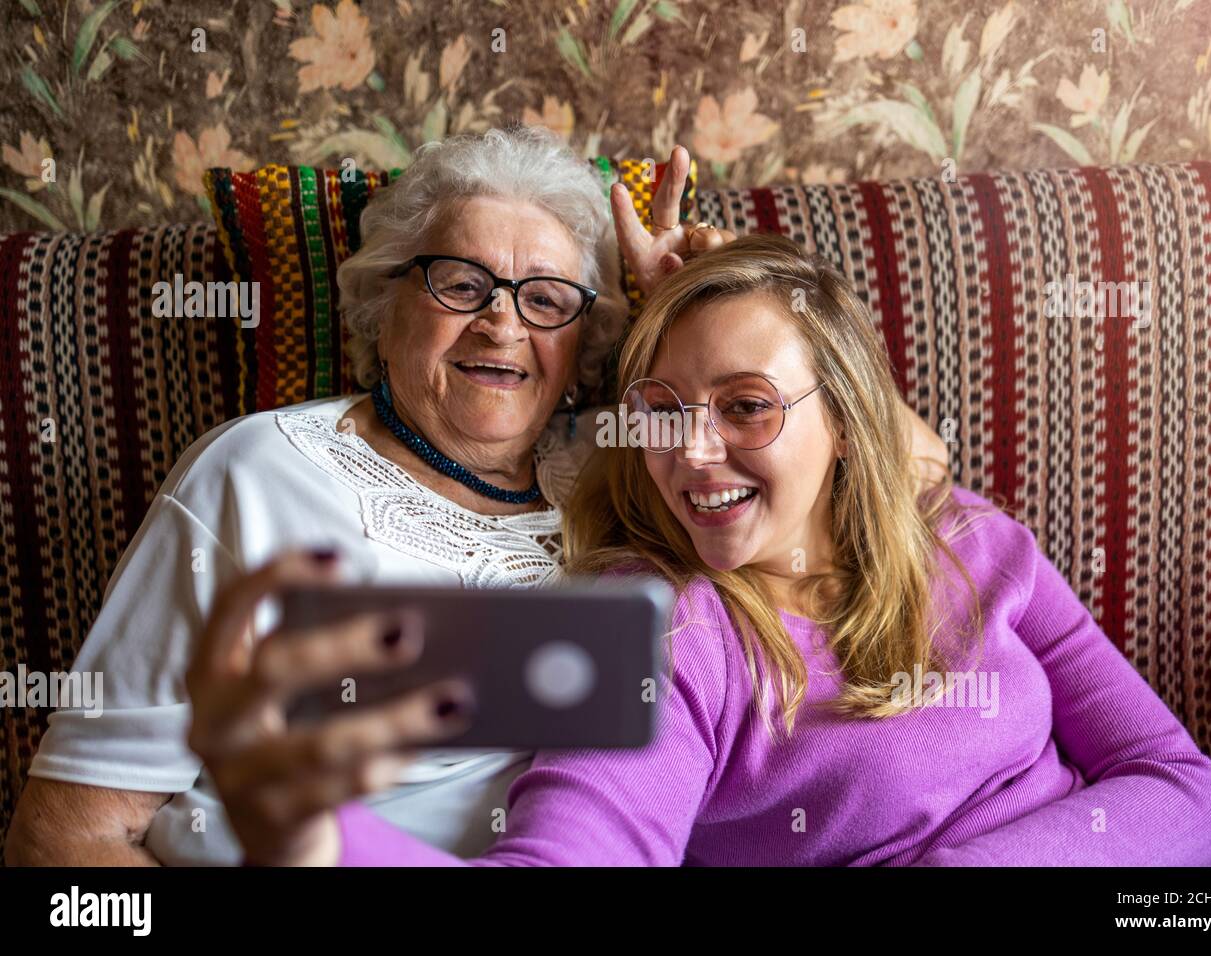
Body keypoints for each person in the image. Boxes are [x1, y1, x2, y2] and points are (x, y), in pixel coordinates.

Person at [6, 128, 948, 866]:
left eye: (545, 299)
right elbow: (67, 839)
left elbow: (908, 471)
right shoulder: (257, 475)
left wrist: (703, 301)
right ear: (383, 308)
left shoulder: (630, 467)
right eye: (462, 283)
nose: (502, 320)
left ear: (584, 346)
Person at [184, 234, 1211, 867]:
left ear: (849, 415)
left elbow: (1185, 794)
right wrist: (318, 836)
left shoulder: (977, 540)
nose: (690, 453)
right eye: (661, 408)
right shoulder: (663, 623)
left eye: (745, 405)